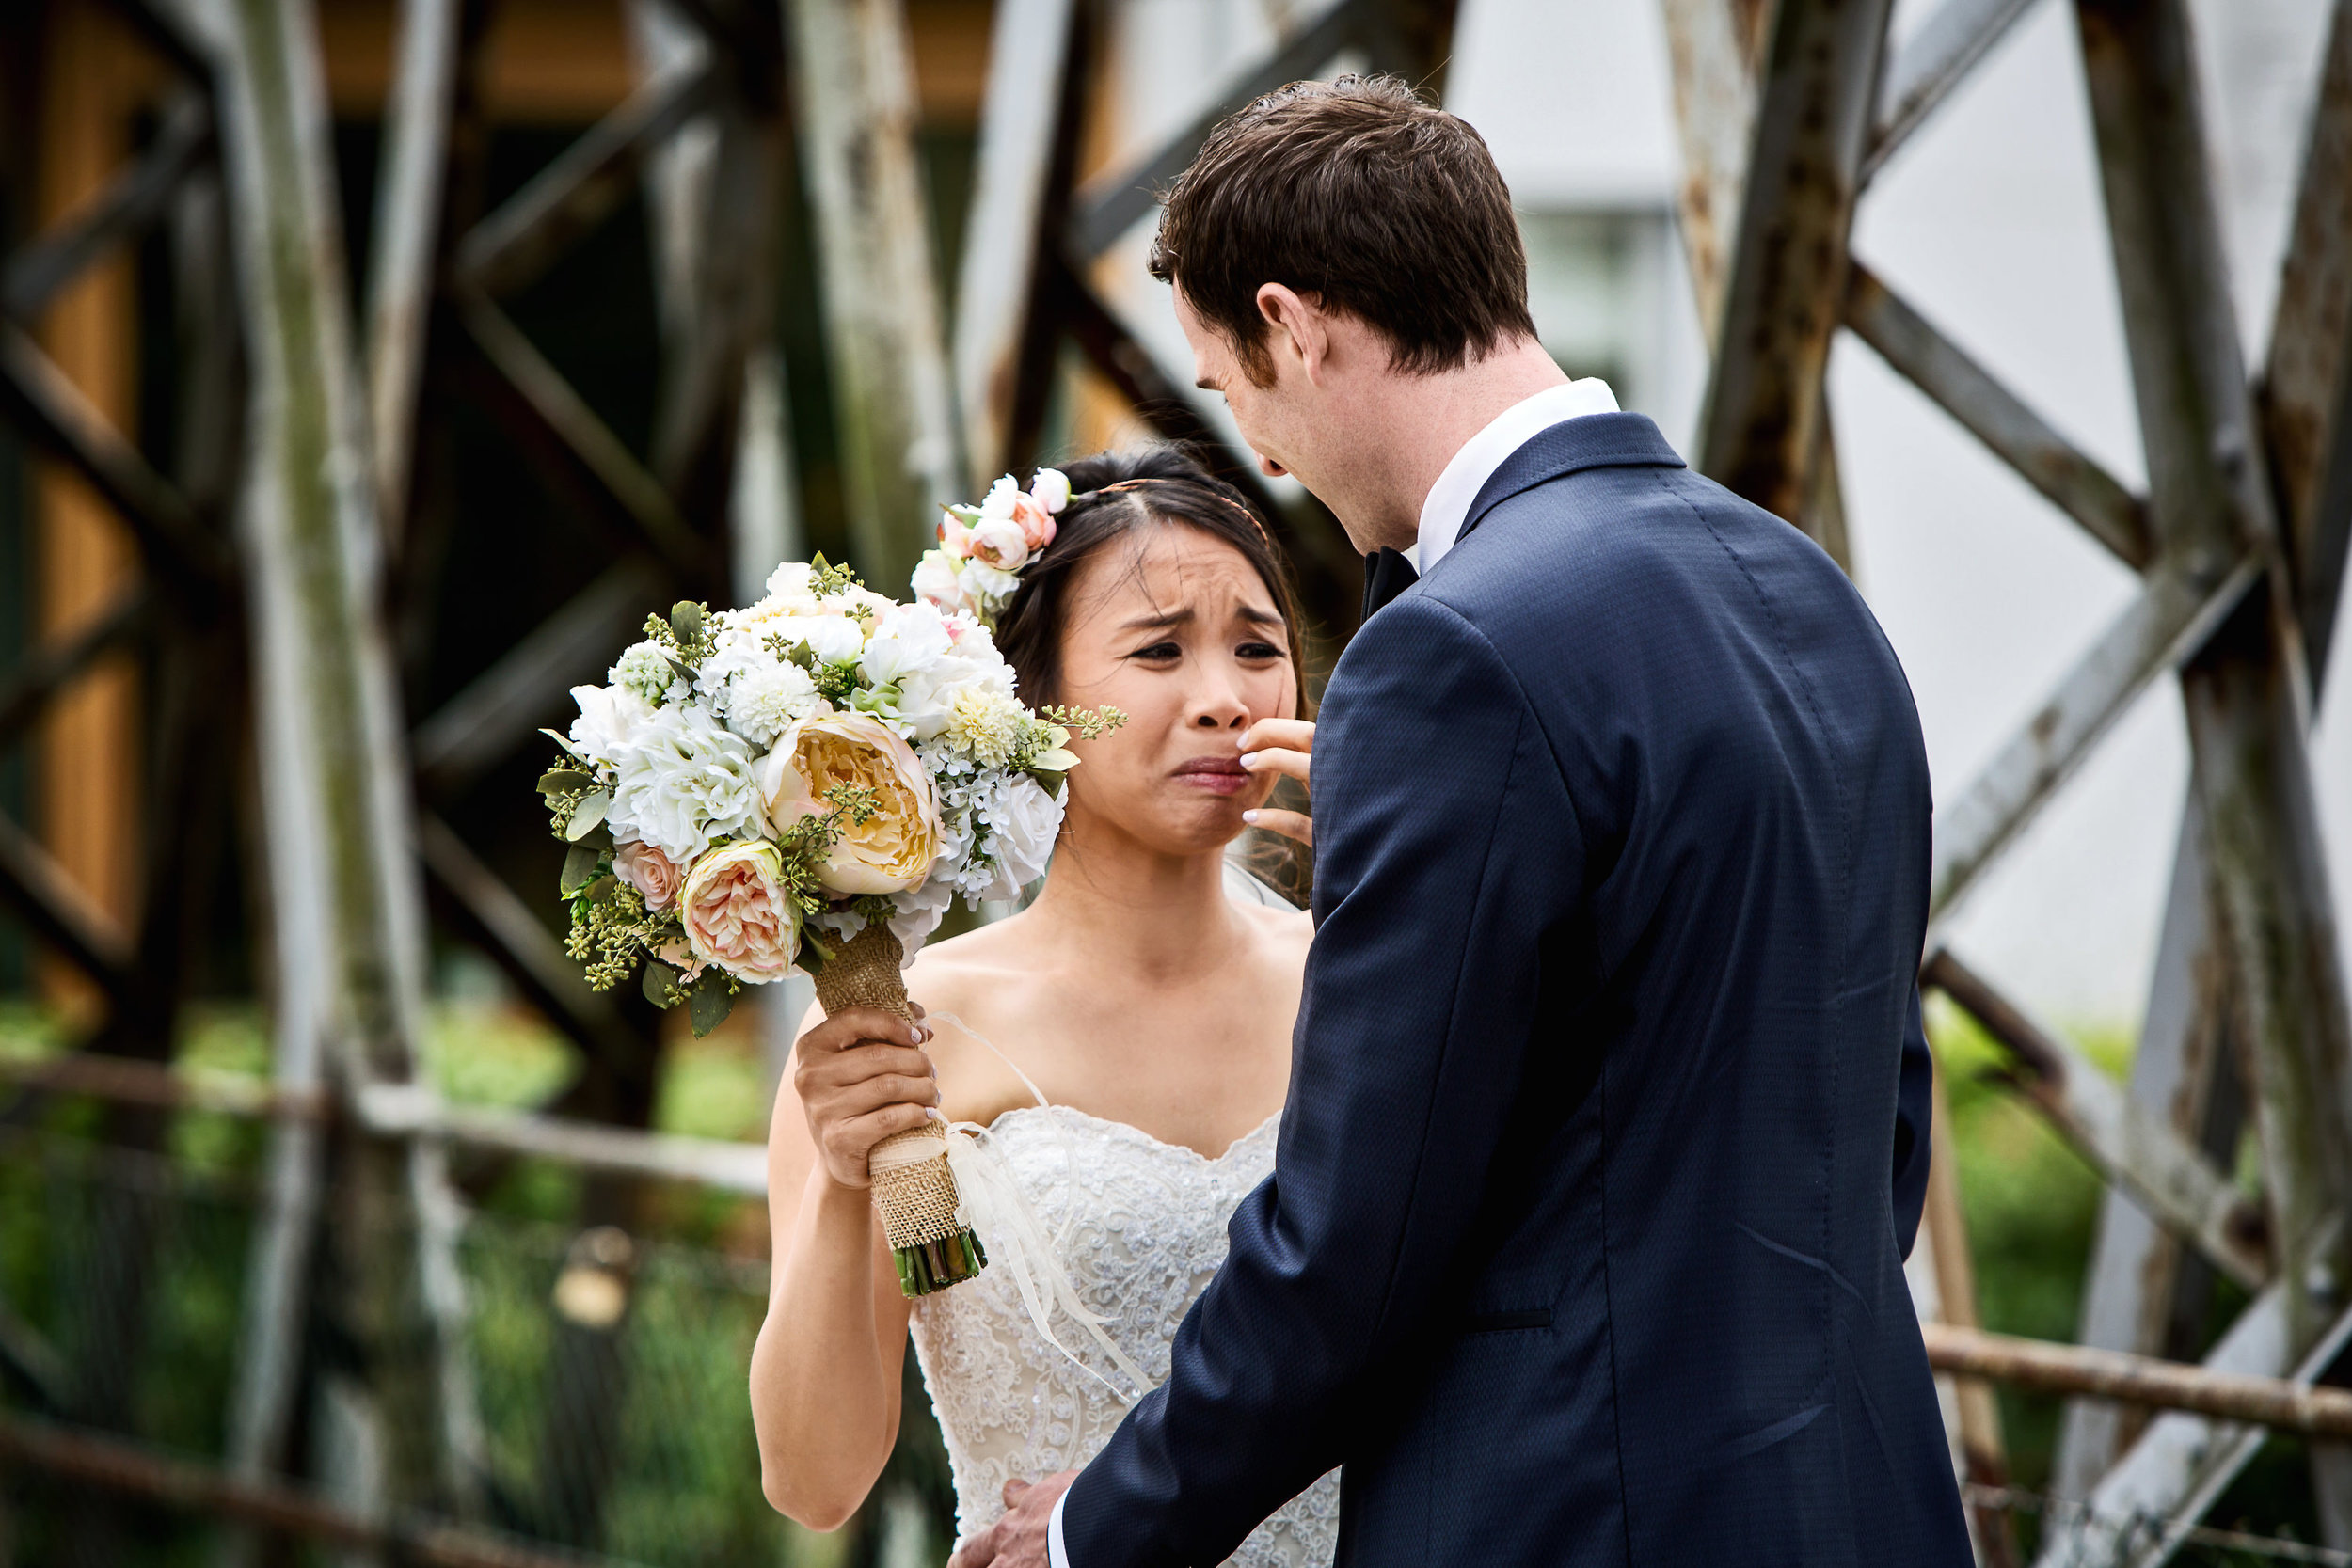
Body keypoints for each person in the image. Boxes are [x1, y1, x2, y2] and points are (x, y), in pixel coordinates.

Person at [954, 75, 1973, 1568]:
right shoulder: (1806, 593)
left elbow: (1359, 1229)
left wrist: (1089, 1536)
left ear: (1297, 325)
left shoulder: (1452, 654)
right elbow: (1876, 1120)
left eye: (1240, 397)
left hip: (1567, 1516)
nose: (1276, 463)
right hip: (1859, 1500)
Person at [748, 445, 1342, 1566]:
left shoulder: (1366, 982)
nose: (1224, 698)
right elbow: (817, 1480)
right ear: (1031, 699)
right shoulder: (915, 1033)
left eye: (1257, 648)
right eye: (1159, 648)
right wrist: (842, 1174)